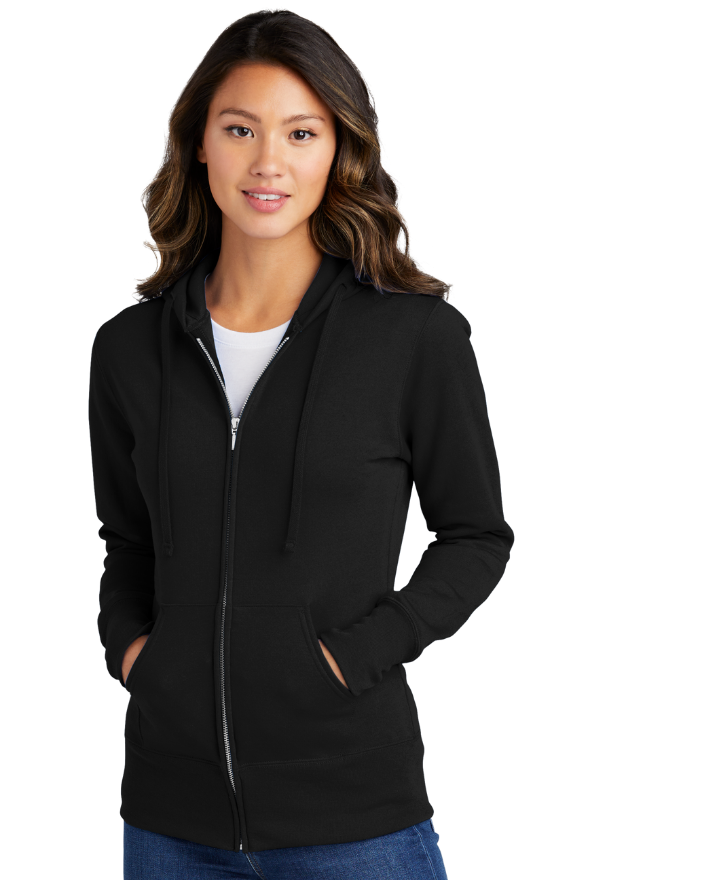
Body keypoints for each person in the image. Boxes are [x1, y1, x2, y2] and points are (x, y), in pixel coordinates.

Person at [88, 7, 514, 879]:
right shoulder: (130, 350)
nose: (268, 163)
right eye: (240, 128)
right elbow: (126, 541)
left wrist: (349, 659)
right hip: (169, 820)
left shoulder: (415, 338)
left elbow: (476, 537)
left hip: (353, 814)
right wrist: (134, 653)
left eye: (301, 132)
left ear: (340, 151)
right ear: (198, 144)